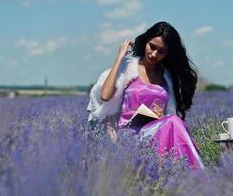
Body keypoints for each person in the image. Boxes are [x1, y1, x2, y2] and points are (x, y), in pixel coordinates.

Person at [87, 21, 204, 170]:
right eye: (152, 47)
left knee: (173, 122)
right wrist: (120, 57)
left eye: (161, 51)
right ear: (146, 42)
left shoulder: (167, 76)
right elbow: (105, 96)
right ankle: (194, 175)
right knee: (173, 123)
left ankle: (182, 177)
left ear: (168, 54)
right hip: (130, 134)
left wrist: (160, 115)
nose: (154, 54)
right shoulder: (128, 67)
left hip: (159, 129)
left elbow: (169, 113)